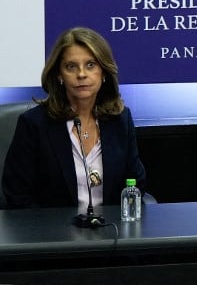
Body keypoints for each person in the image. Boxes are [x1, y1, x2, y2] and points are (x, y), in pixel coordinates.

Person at [2, 27, 146, 210]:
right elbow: (17, 194)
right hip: (53, 234)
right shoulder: (34, 124)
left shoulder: (120, 120)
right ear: (59, 75)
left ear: (103, 73)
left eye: (91, 65)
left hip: (111, 231)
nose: (81, 74)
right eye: (71, 66)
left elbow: (135, 183)